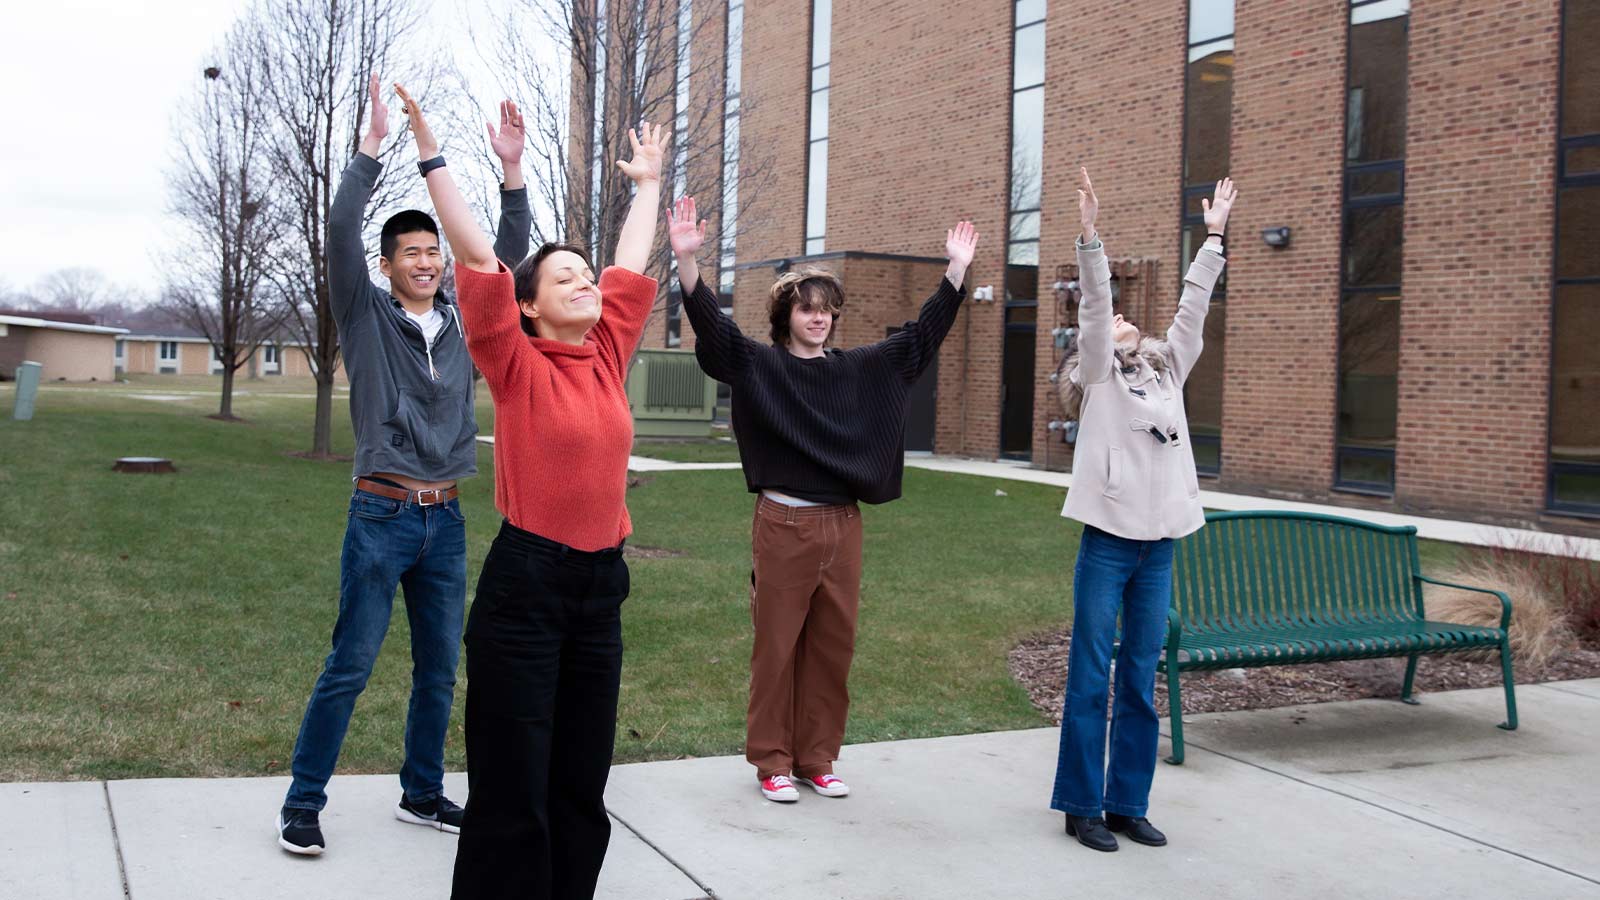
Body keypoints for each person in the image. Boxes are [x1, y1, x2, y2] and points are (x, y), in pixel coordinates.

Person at [393, 82, 668, 899]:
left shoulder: (608, 353)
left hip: (598, 589)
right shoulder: (514, 362)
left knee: (581, 785)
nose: (587, 283)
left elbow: (627, 263)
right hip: (526, 588)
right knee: (513, 789)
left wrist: (646, 187)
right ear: (530, 306)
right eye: (565, 278)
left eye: (587, 276)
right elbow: (478, 255)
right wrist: (434, 156)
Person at [276, 76, 530, 857]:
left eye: (432, 252)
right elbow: (339, 228)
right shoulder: (362, 313)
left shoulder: (462, 319)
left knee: (438, 672)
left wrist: (511, 174)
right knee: (349, 665)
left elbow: (506, 255)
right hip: (380, 515)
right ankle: (303, 802)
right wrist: (369, 149)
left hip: (444, 519)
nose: (425, 262)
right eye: (411, 254)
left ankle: (421, 792)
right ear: (387, 266)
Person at [667, 195, 979, 802]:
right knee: (777, 650)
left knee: (832, 652)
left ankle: (817, 758)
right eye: (808, 310)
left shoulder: (858, 369)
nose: (819, 319)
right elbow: (714, 328)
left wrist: (956, 274)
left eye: (828, 311)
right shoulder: (758, 365)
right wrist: (687, 263)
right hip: (784, 523)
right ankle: (772, 762)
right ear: (787, 314)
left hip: (843, 527)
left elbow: (920, 339)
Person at [1050, 168, 1236, 852]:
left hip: (1160, 548)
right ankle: (1081, 804)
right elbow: (1097, 312)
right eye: (1120, 322)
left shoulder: (1167, 370)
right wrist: (1091, 238)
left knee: (1138, 677)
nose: (1128, 323)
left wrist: (1213, 237)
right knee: (1092, 673)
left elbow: (1193, 311)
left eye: (1132, 320)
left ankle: (1128, 802)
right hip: (1108, 543)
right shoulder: (1097, 373)